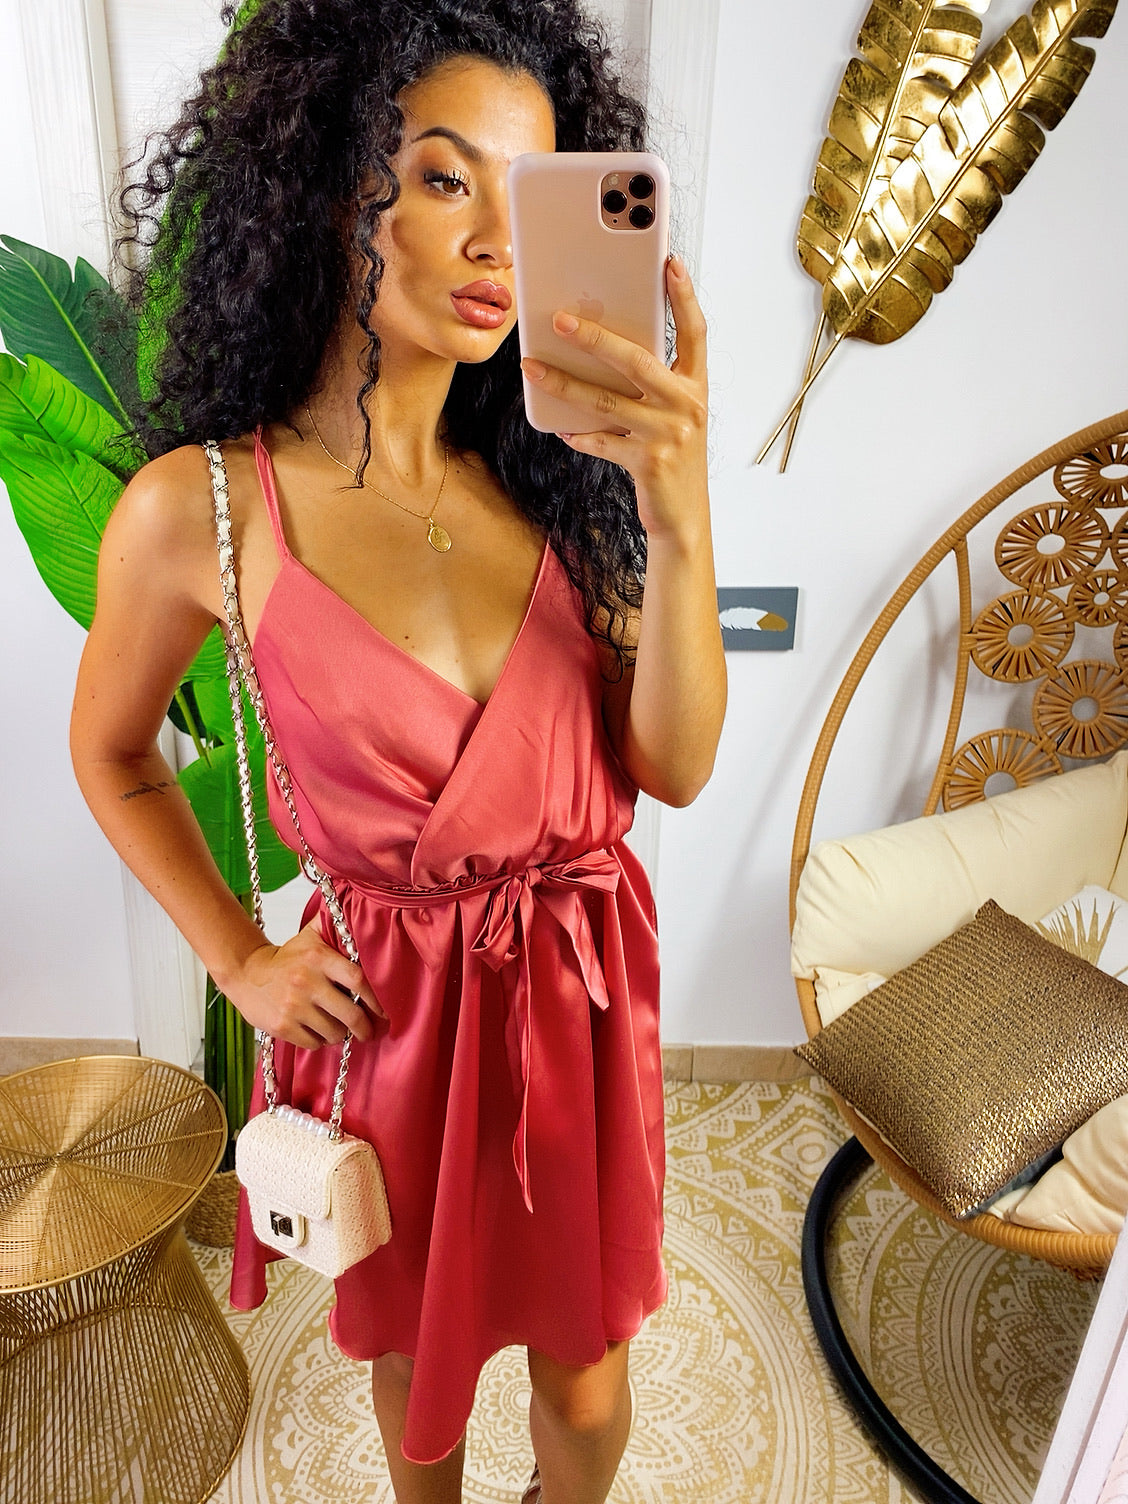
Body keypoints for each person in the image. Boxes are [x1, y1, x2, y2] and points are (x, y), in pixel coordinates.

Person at [69, 2, 726, 1500]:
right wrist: (242, 961)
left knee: (589, 1386)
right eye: (442, 177)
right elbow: (113, 753)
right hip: (398, 1024)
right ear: (326, 185)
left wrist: (681, 520)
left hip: (578, 1002)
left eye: (531, 193)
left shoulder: (565, 486)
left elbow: (676, 769)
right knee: (419, 1371)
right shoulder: (201, 511)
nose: (499, 240)